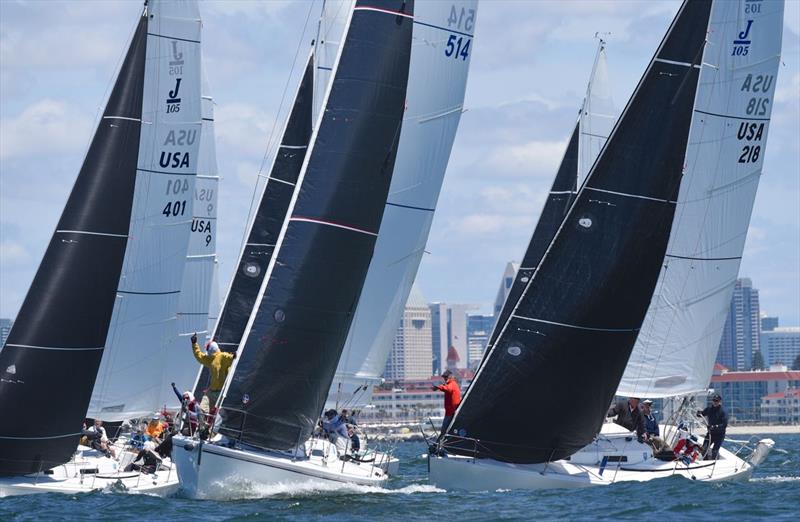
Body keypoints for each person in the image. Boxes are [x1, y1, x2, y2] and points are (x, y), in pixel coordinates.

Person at [191, 333, 235, 415]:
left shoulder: (222, 356)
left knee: (216, 412)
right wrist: (194, 344)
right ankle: (203, 418)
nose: (207, 351)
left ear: (210, 350)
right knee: (204, 404)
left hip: (221, 392)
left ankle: (205, 418)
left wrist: (233, 356)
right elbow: (200, 356)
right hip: (212, 391)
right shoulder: (210, 359)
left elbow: (232, 358)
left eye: (207, 350)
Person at [697, 394, 728, 460]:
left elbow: (724, 424)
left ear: (720, 401)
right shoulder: (709, 409)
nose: (715, 402)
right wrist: (699, 413)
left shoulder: (723, 412)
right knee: (703, 449)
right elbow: (702, 414)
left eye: (717, 401)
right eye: (714, 400)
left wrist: (714, 426)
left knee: (714, 451)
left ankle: (713, 463)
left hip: (719, 435)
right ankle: (706, 462)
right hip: (710, 434)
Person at [433, 370, 461, 440]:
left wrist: (439, 387)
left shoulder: (452, 384)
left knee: (444, 430)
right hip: (450, 411)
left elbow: (448, 389)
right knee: (446, 430)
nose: (444, 378)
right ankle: (440, 443)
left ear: (450, 377)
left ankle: (439, 443)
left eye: (446, 377)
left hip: (451, 412)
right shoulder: (451, 384)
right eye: (444, 377)